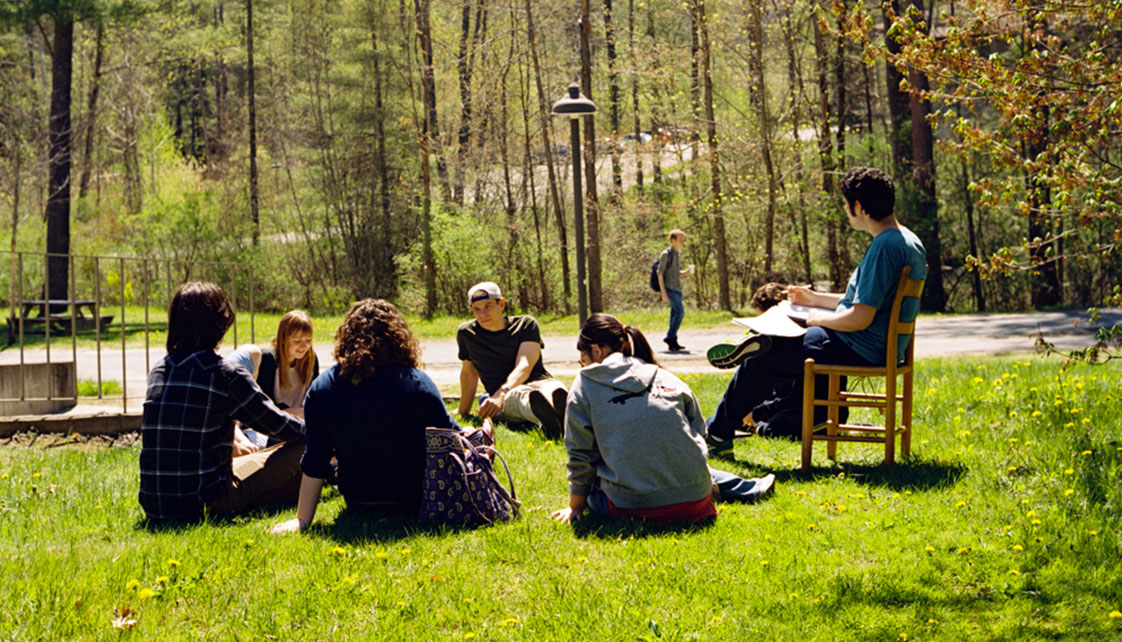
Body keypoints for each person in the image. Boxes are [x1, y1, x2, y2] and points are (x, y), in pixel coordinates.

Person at [705, 166, 927, 454]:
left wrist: (810, 319)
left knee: (765, 351)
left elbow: (860, 318)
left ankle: (718, 433)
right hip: (876, 345)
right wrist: (814, 298)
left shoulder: (884, 248)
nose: (846, 210)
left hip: (861, 348)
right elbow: (863, 302)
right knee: (770, 342)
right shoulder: (907, 240)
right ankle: (722, 421)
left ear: (859, 207)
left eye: (846, 205)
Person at [551, 314, 775, 527]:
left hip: (634, 508)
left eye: (583, 360)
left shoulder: (586, 381)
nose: (582, 367)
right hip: (697, 500)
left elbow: (580, 453)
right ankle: (745, 487)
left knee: (596, 478)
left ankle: (707, 487)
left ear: (597, 351)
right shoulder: (662, 375)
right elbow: (698, 430)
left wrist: (575, 507)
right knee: (664, 456)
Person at [271, 299, 461, 533]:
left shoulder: (322, 389)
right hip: (414, 496)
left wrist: (302, 519)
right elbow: (453, 436)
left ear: (346, 338)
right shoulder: (418, 383)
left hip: (359, 497)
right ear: (398, 338)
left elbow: (316, 458)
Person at [138, 282, 305, 522]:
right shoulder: (225, 374)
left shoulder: (159, 369)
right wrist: (323, 434)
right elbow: (278, 425)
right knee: (305, 448)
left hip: (155, 504)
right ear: (220, 323)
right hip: (205, 502)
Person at [456, 281, 567, 439]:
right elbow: (468, 373)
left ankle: (562, 413)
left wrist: (501, 393)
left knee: (555, 389)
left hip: (537, 382)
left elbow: (525, 365)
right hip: (507, 397)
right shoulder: (467, 333)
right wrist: (463, 411)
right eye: (477, 310)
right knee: (522, 397)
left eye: (488, 306)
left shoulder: (526, 324)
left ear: (501, 304)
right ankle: (550, 420)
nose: (483, 314)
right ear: (471, 310)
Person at [227, 310, 319, 447]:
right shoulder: (269, 360)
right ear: (283, 338)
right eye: (297, 340)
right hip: (274, 424)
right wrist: (296, 412)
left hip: (299, 421)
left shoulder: (311, 360)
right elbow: (265, 408)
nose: (303, 346)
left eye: (308, 341)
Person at [656, 229, 695, 352]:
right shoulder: (666, 254)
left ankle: (672, 340)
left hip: (677, 288)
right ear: (673, 240)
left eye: (684, 240)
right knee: (680, 312)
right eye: (681, 240)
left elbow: (673, 272)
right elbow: (660, 273)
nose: (683, 242)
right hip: (669, 289)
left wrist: (685, 272)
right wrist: (663, 293)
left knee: (675, 314)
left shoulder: (677, 254)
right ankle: (670, 337)